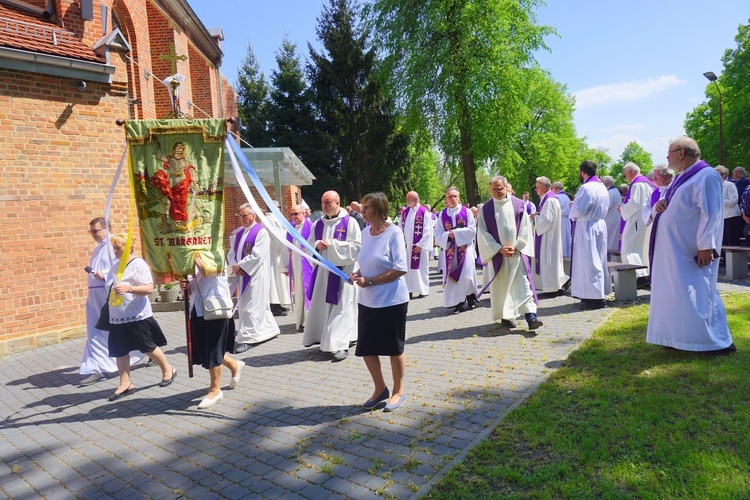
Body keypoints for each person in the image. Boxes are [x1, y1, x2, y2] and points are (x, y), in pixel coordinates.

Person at [647, 137, 734, 354]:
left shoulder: (706, 176)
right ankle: (678, 338)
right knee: (675, 294)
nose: (667, 157)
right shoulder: (682, 178)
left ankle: (707, 341)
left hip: (689, 250)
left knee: (698, 292)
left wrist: (706, 245)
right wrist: (660, 205)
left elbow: (711, 212)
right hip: (673, 250)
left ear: (681, 153)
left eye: (669, 152)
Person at [350, 192, 409, 411]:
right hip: (368, 301)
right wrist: (358, 274)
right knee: (367, 347)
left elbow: (400, 268)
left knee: (394, 348)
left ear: (379, 210)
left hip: (392, 300)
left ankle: (398, 391)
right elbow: (366, 261)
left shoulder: (394, 233)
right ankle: (380, 388)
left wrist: (371, 280)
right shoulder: (366, 233)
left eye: (366, 207)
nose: (362, 211)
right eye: (362, 207)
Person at [106, 235, 175, 401]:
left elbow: (149, 288)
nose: (114, 251)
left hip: (136, 314)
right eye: (114, 248)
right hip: (118, 315)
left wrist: (129, 288)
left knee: (147, 346)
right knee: (120, 350)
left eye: (118, 248)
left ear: (129, 248)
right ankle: (125, 383)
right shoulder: (116, 265)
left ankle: (167, 369)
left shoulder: (138, 264)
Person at [80, 218, 142, 386]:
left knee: (103, 329)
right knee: (95, 329)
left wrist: (105, 273)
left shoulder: (114, 244)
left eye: (96, 231)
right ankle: (98, 365)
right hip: (95, 294)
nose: (93, 235)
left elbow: (123, 266)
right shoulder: (98, 247)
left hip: (107, 293)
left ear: (107, 228)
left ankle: (100, 367)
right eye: (91, 231)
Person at [477, 176, 543, 330]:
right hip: (498, 256)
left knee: (523, 285)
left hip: (516, 255)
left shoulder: (519, 205)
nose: (496, 192)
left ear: (506, 188)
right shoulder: (486, 209)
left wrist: (517, 246)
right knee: (503, 288)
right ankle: (506, 317)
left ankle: (531, 317)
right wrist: (498, 248)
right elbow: (482, 233)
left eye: (499, 188)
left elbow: (526, 228)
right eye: (493, 189)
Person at [303, 190, 362, 361]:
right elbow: (308, 245)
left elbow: (357, 247)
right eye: (323, 202)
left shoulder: (350, 222)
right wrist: (316, 245)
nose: (325, 205)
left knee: (342, 307)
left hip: (343, 272)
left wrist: (332, 245)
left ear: (337, 203)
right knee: (324, 306)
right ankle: (322, 338)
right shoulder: (317, 224)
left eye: (329, 202)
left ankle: (339, 345)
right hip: (323, 273)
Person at [184, 256, 244, 409]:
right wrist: (185, 284)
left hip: (216, 308)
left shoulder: (215, 255)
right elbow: (195, 283)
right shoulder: (191, 257)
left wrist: (196, 258)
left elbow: (208, 272)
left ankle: (215, 390)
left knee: (213, 350)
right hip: (198, 309)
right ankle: (234, 365)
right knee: (208, 349)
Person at [227, 204, 280, 353]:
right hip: (242, 274)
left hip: (255, 274)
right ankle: (269, 330)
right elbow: (231, 253)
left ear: (254, 216)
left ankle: (248, 338)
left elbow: (258, 255)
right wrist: (234, 265)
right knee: (250, 306)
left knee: (252, 306)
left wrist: (241, 266)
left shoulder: (261, 233)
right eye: (241, 216)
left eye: (245, 216)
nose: (242, 219)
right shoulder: (239, 233)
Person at [569, 161, 609, 309]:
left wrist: (573, 208)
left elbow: (578, 210)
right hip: (599, 224)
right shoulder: (601, 186)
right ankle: (592, 293)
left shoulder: (587, 188)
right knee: (598, 258)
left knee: (589, 261)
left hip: (587, 226)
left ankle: (595, 297)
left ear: (582, 172)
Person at [434, 187, 479, 313]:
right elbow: (437, 233)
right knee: (452, 278)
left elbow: (472, 230)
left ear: (459, 197)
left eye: (455, 196)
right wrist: (448, 235)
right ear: (446, 199)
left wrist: (456, 233)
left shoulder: (467, 212)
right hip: (450, 251)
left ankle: (470, 297)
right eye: (450, 196)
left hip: (465, 249)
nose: (453, 199)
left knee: (467, 275)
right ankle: (457, 302)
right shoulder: (442, 214)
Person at [530, 177, 568, 295]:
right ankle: (559, 282)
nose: (535, 189)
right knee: (548, 261)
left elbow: (547, 220)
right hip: (546, 234)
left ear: (545, 187)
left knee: (549, 261)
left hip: (548, 237)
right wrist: (538, 215)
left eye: (537, 187)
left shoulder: (550, 200)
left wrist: (534, 217)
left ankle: (552, 287)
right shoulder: (546, 199)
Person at [617, 163, 651, 280]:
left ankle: (637, 275)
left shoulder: (637, 184)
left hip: (636, 219)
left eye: (625, 174)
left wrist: (621, 208)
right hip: (643, 219)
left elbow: (635, 203)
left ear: (630, 172)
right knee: (641, 247)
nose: (625, 177)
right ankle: (643, 273)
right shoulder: (646, 182)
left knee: (629, 247)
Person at [283, 204, 313, 332]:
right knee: (299, 294)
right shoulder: (291, 229)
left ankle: (310, 321)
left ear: (304, 213)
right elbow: (286, 249)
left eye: (296, 214)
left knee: (308, 292)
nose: (294, 217)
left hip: (309, 266)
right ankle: (301, 321)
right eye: (291, 214)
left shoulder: (311, 227)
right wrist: (285, 266)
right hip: (296, 265)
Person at [400, 191, 433, 298]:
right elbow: (400, 228)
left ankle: (423, 290)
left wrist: (420, 244)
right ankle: (408, 289)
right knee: (408, 269)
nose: (407, 201)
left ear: (415, 200)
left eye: (408, 199)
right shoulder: (404, 212)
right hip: (407, 247)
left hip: (419, 247)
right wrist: (403, 242)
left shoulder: (424, 212)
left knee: (420, 268)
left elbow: (428, 230)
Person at [264, 203, 291, 317]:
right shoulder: (272, 220)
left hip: (273, 252)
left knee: (276, 279)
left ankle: (277, 303)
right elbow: (279, 238)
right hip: (275, 253)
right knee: (275, 279)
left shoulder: (268, 218)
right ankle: (274, 305)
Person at [716, 166, 743, 247]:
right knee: (722, 241)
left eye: (717, 174)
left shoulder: (730, 185)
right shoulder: (716, 186)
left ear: (724, 175)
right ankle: (724, 259)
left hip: (731, 216)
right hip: (721, 217)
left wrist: (718, 201)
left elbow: (734, 200)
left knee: (732, 241)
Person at [600, 176, 622, 254]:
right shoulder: (615, 190)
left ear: (607, 183)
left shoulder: (610, 192)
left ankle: (610, 260)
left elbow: (606, 206)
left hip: (610, 220)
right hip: (614, 218)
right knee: (612, 240)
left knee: (609, 240)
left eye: (602, 181)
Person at [551, 182, 572, 258]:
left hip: (559, 221)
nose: (551, 190)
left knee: (560, 240)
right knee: (566, 240)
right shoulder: (567, 197)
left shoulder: (556, 197)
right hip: (566, 221)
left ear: (556, 188)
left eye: (552, 188)